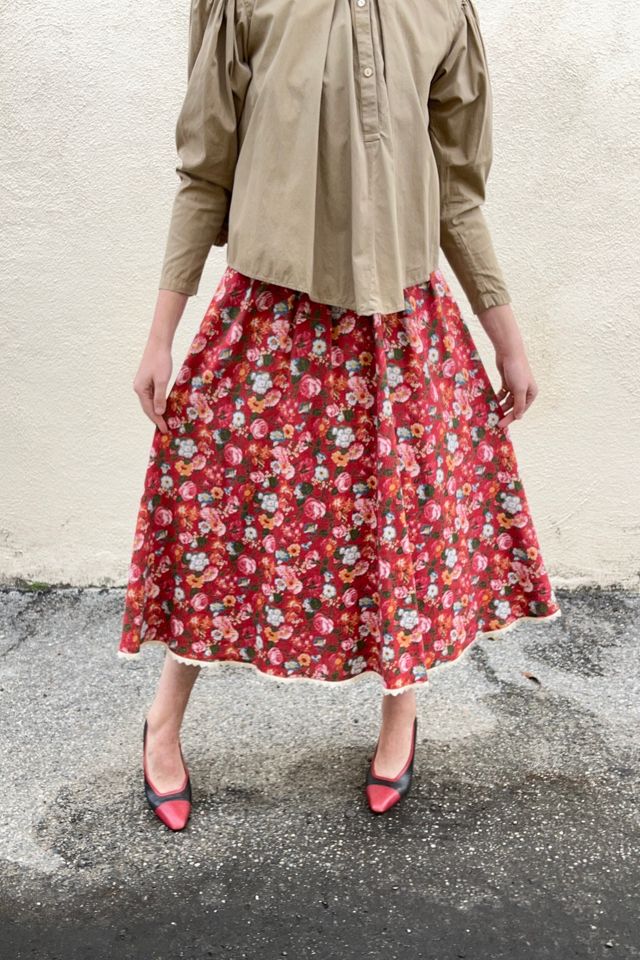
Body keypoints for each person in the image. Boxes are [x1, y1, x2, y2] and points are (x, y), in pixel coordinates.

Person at [118, 0, 562, 829]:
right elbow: (206, 173)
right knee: (219, 520)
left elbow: (458, 195)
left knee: (403, 526)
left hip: (402, 322)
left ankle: (401, 714)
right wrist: (160, 336)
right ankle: (164, 719)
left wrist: (508, 339)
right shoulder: (244, 4)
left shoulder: (441, 11)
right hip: (271, 316)